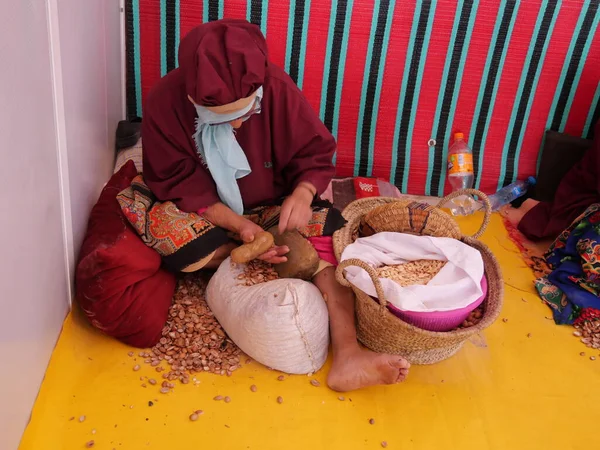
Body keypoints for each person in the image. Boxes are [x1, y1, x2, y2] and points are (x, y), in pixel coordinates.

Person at [122, 19, 410, 392]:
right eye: (224, 119)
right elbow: (177, 181)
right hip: (208, 215)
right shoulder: (165, 101)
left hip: (271, 203)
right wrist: (242, 229)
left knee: (335, 233)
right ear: (193, 99)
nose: (239, 126)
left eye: (246, 112)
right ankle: (262, 255)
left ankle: (348, 351)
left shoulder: (275, 86)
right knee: (169, 235)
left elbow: (313, 152)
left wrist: (304, 194)